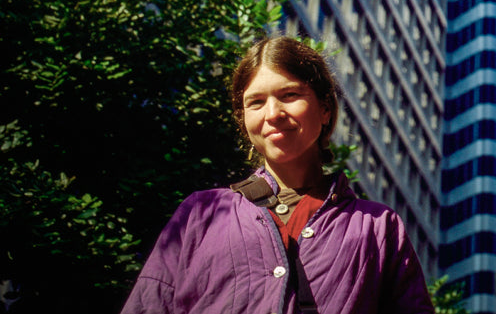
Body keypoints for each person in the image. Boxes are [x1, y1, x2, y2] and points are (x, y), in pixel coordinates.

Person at [120, 36, 434, 314]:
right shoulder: (201, 214)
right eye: (255, 102)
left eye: (289, 96)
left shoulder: (378, 227)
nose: (273, 114)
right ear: (243, 120)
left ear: (325, 109)